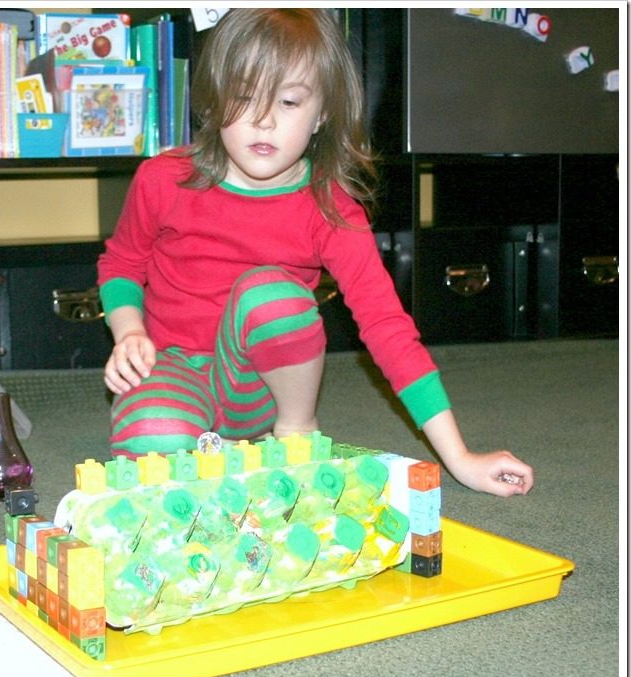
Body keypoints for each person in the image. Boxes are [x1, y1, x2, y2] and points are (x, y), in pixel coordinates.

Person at [97, 8, 534, 497]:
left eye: (287, 101)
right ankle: (211, 449)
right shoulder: (163, 177)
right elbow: (121, 264)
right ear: (214, 101)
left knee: (270, 296)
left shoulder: (332, 209)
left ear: (322, 113)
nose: (263, 121)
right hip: (173, 368)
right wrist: (129, 331)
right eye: (243, 98)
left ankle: (296, 431)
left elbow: (387, 327)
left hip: (259, 391)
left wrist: (461, 458)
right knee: (151, 437)